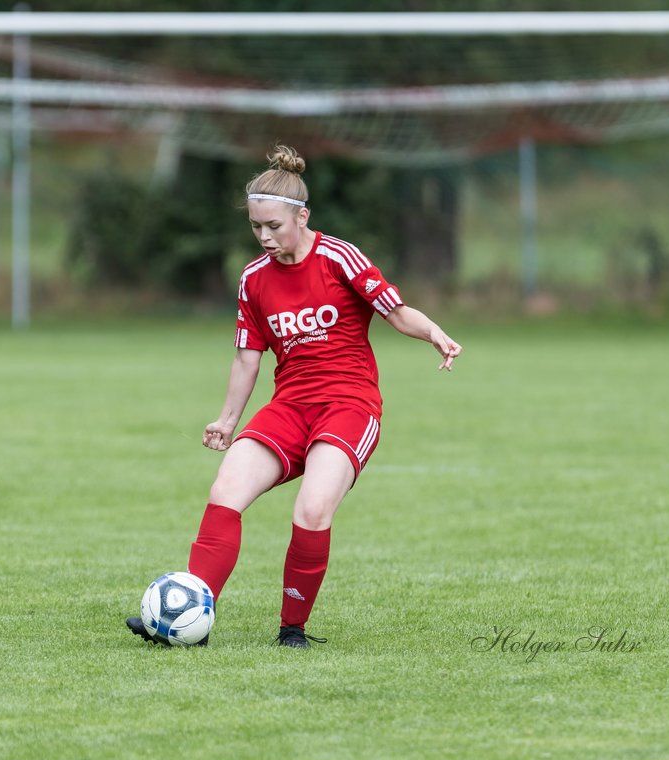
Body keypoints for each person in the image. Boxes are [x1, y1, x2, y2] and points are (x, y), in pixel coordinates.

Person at [128, 145, 461, 649]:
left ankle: (292, 628)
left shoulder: (338, 258)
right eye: (256, 227)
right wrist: (227, 419)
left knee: (311, 511)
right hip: (289, 408)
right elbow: (247, 358)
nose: (264, 237)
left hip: (349, 406)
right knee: (226, 492)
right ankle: (192, 615)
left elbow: (395, 312)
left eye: (274, 226)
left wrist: (434, 332)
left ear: (301, 216)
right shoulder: (253, 279)